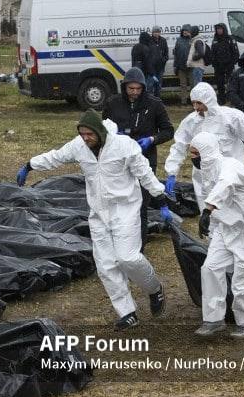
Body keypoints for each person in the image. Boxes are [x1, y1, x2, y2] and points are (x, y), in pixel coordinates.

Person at [15, 110, 172, 331]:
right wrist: (30, 165)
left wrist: (160, 197)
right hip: (98, 213)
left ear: (99, 131)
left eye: (89, 134)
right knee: (106, 265)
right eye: (82, 133)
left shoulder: (123, 146)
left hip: (124, 209)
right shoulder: (79, 146)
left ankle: (154, 289)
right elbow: (56, 156)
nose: (85, 138)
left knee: (128, 258)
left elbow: (144, 172)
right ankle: (127, 312)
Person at [190, 132, 244, 339]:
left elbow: (224, 186)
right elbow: (221, 202)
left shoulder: (229, 166)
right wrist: (210, 224)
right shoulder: (206, 173)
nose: (192, 157)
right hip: (226, 230)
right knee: (210, 269)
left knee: (241, 281)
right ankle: (213, 319)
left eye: (195, 153)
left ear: (206, 152)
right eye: (190, 153)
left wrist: (207, 211)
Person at [102, 67, 174, 247]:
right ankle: (118, 242)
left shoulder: (154, 104)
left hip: (145, 159)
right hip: (119, 160)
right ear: (124, 87)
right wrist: (114, 135)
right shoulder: (113, 103)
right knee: (119, 202)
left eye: (138, 89)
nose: (134, 93)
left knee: (141, 204)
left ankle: (139, 246)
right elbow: (103, 128)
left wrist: (152, 139)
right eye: (130, 89)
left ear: (143, 88)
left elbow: (168, 131)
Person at [164, 82, 244, 210]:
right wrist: (171, 172)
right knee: (208, 214)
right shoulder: (191, 122)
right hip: (202, 176)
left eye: (199, 103)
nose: (195, 107)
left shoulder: (231, 117)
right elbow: (179, 146)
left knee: (233, 213)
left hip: (229, 175)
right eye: (193, 102)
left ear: (209, 100)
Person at [210, 23, 239, 105]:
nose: (219, 30)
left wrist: (232, 63)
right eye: (217, 29)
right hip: (218, 67)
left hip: (229, 66)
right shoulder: (215, 40)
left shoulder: (230, 39)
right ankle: (222, 100)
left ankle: (232, 99)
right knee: (220, 84)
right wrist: (214, 63)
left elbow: (236, 53)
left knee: (231, 84)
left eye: (220, 29)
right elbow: (213, 53)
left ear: (224, 29)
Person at [173, 24, 193, 105]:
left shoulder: (192, 40)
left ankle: (193, 101)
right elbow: (176, 53)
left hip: (191, 66)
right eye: (184, 30)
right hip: (181, 66)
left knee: (193, 85)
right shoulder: (178, 40)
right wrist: (175, 65)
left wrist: (191, 36)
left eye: (187, 31)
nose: (185, 32)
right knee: (183, 85)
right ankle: (183, 101)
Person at [150, 26, 169, 98]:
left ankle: (158, 100)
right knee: (151, 85)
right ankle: (152, 100)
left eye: (158, 32)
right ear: (152, 33)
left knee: (159, 85)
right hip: (152, 68)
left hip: (160, 67)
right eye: (155, 32)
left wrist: (164, 60)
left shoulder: (163, 40)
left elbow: (166, 53)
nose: (156, 33)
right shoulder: (149, 40)